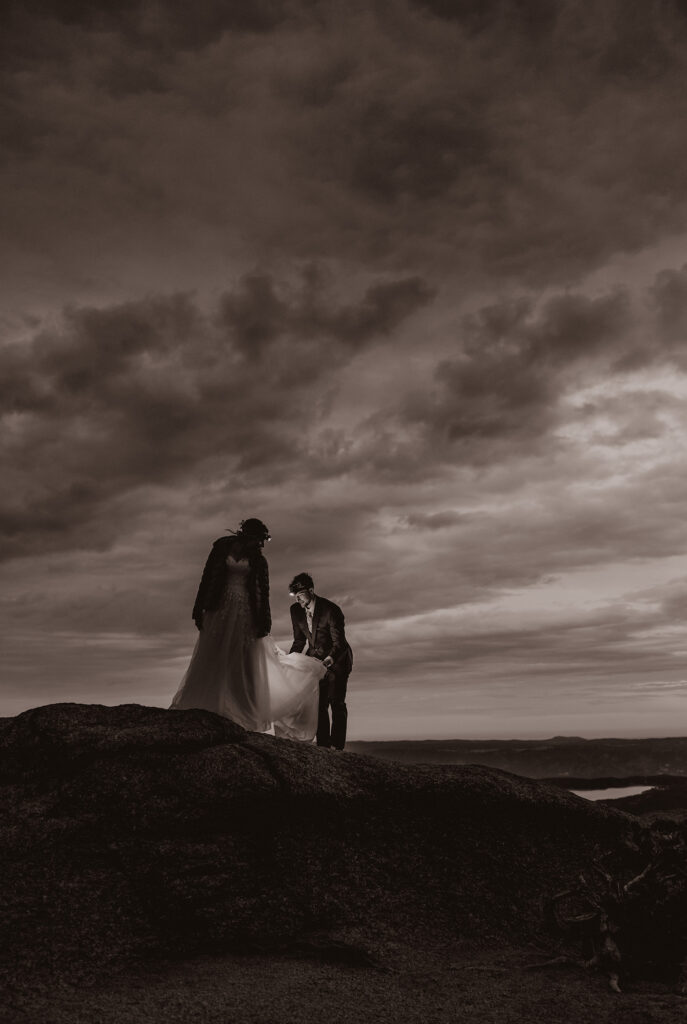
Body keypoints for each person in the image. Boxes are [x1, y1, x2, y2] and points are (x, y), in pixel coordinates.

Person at [171, 520, 326, 738]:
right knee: (214, 655)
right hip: (220, 608)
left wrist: (265, 623)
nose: (261, 545)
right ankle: (212, 707)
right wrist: (199, 609)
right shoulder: (221, 548)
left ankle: (240, 711)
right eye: (259, 540)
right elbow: (206, 579)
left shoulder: (259, 561)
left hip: (245, 611)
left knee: (242, 660)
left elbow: (264, 593)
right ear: (248, 536)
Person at [289, 573, 353, 750]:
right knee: (319, 703)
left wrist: (329, 659)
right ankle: (324, 746)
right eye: (295, 597)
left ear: (311, 590)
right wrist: (289, 661)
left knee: (337, 703)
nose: (298, 600)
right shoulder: (295, 611)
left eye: (300, 595)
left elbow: (339, 642)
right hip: (315, 662)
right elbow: (299, 641)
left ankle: (338, 747)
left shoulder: (331, 610)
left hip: (338, 659)